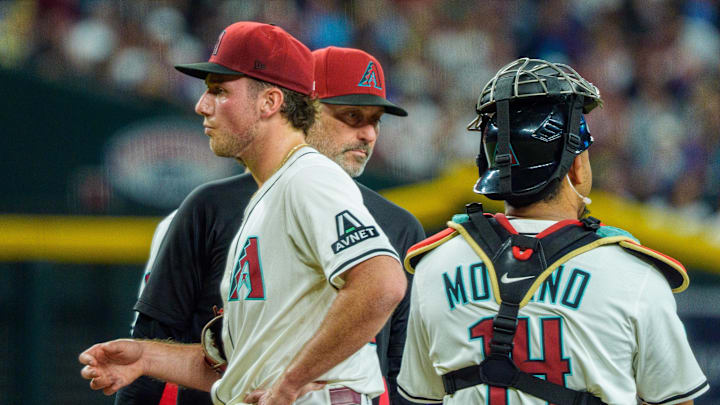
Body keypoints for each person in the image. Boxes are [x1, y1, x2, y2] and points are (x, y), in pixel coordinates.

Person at [80, 21, 409, 405]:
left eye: (219, 91)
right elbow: (241, 365)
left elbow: (382, 283)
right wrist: (146, 358)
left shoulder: (309, 178)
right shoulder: (267, 198)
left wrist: (289, 384)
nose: (202, 105)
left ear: (269, 102)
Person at [396, 58, 709, 405]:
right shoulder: (635, 276)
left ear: (489, 167)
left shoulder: (432, 267)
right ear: (576, 165)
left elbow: (422, 396)